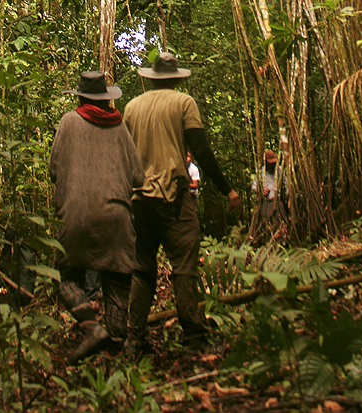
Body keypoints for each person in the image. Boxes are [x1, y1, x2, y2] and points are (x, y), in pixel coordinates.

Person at [123, 52, 242, 357]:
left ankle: (133, 340)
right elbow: (199, 148)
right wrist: (227, 189)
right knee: (185, 266)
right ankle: (194, 338)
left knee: (142, 269)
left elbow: (122, 155)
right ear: (176, 79)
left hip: (138, 198)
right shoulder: (183, 103)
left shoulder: (132, 107)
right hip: (174, 197)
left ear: (150, 79)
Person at [49, 71, 144, 362]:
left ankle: (91, 327)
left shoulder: (68, 122)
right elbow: (138, 177)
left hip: (75, 216)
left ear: (80, 98)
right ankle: (115, 353)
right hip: (117, 216)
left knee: (64, 278)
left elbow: (54, 170)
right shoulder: (120, 129)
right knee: (117, 281)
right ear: (106, 100)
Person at [251, 149, 287, 223]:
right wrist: (261, 190)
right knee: (268, 224)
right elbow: (253, 187)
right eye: (271, 163)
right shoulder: (261, 173)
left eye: (274, 163)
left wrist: (289, 199)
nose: (272, 165)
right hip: (266, 204)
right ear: (266, 162)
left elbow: (286, 185)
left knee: (281, 225)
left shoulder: (280, 170)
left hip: (278, 202)